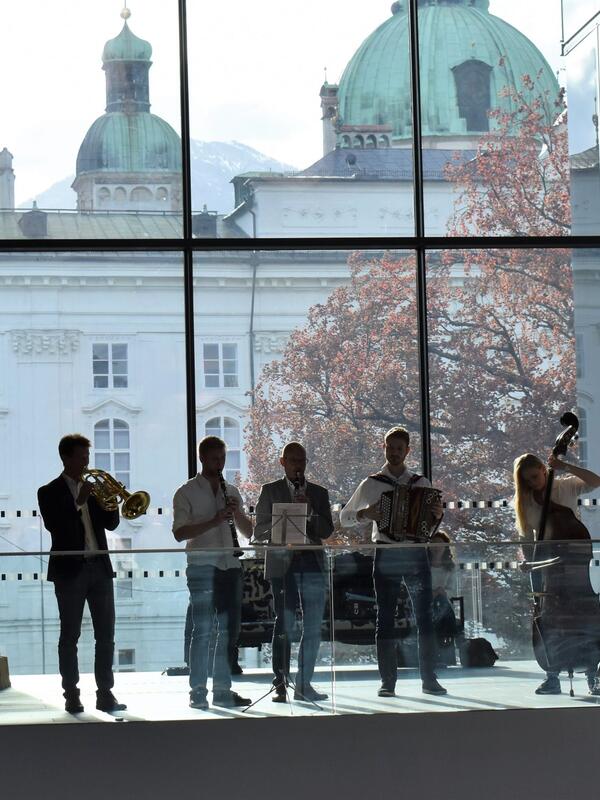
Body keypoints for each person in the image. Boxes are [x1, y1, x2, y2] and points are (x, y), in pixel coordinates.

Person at [340, 426, 447, 697]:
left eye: (400, 448)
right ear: (384, 448)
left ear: (408, 451)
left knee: (424, 617)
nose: (395, 452)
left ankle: (429, 679)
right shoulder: (372, 483)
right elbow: (345, 518)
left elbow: (429, 529)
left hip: (415, 552)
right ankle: (387, 682)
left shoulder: (421, 483)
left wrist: (437, 515)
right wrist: (367, 513)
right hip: (386, 551)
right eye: (390, 447)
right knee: (384, 617)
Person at [37, 434, 126, 714]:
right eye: (82, 457)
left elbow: (111, 524)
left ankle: (105, 694)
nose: (87, 462)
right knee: (70, 635)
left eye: (88, 457)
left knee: (106, 635)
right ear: (66, 458)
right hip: (69, 570)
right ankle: (71, 695)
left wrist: (112, 499)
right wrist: (79, 501)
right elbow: (55, 527)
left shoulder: (95, 490)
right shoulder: (48, 491)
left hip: (99, 567)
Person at [172, 435, 253, 710]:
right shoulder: (185, 492)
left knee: (228, 631)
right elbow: (180, 533)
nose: (220, 464)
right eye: (215, 459)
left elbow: (248, 532)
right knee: (202, 631)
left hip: (230, 564)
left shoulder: (230, 490)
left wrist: (235, 513)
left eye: (223, 459)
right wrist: (214, 520)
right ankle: (197, 690)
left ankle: (222, 690)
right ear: (203, 459)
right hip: (202, 566)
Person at [514, 451, 600, 696]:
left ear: (544, 469)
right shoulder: (525, 502)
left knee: (584, 624)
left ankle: (592, 677)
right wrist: (528, 561)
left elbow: (596, 481)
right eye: (527, 481)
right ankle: (552, 677)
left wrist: (563, 465)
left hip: (574, 570)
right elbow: (525, 538)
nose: (533, 483)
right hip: (548, 571)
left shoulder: (565, 488)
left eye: (535, 476)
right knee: (550, 624)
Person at [254, 441, 334, 703]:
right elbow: (258, 531)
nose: (298, 466)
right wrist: (281, 519)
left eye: (302, 461)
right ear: (283, 462)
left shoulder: (319, 494)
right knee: (284, 623)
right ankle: (280, 683)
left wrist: (309, 510)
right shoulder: (270, 491)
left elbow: (326, 532)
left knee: (312, 626)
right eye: (293, 461)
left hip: (311, 563)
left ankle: (303, 683)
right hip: (282, 565)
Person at [428, 531, 461, 664]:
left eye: (439, 544)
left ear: (445, 546)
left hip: (443, 601)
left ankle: (441, 650)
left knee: (441, 603)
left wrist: (442, 591)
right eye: (433, 544)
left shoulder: (450, 568)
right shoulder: (424, 566)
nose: (436, 547)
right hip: (426, 601)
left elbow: (452, 590)